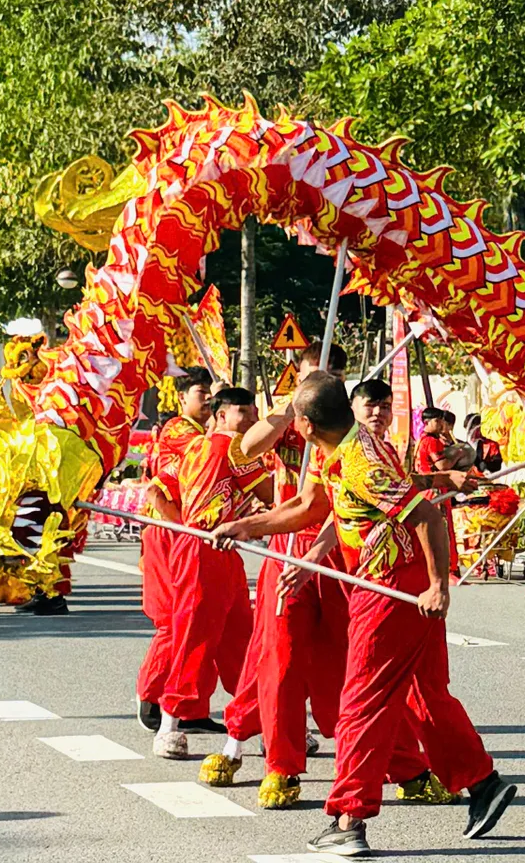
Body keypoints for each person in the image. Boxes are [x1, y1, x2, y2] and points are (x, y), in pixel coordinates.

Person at [219, 375, 513, 856]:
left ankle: (349, 819)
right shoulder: (338, 451)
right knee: (425, 695)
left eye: (294, 415)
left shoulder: (362, 461)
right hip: (389, 581)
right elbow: (308, 507)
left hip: (396, 585)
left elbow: (427, 517)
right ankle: (483, 783)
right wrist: (243, 527)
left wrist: (439, 586)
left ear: (307, 424)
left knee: (359, 703)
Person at [199, 344, 349, 808]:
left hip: (340, 555)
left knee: (350, 661)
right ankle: (279, 763)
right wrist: (290, 410)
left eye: (333, 372)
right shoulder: (291, 425)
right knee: (277, 659)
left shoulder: (352, 430)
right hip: (288, 551)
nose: (325, 376)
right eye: (314, 371)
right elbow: (248, 446)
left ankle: (384, 757)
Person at [153, 386, 273, 759]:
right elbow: (274, 497)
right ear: (221, 416)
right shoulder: (237, 448)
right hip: (204, 552)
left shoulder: (192, 447)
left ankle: (265, 720)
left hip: (218, 550)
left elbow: (157, 491)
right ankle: (169, 725)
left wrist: (184, 525)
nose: (252, 419)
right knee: (195, 636)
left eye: (254, 412)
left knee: (243, 639)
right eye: (243, 412)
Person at [135, 367, 216, 733]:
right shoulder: (180, 431)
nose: (209, 399)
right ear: (182, 398)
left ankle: (193, 706)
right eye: (202, 393)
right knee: (173, 620)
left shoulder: (208, 434)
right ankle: (151, 695)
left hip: (195, 532)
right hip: (170, 529)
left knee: (207, 622)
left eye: (213, 394)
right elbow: (206, 454)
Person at [414, 407, 460, 576]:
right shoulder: (432, 441)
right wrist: (457, 455)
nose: (441, 424)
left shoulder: (420, 440)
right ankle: (448, 570)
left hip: (424, 490)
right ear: (427, 422)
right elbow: (442, 466)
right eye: (437, 420)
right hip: (436, 490)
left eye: (442, 420)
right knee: (442, 529)